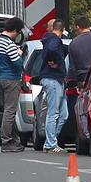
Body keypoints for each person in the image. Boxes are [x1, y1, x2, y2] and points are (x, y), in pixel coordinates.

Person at [0, 18, 25, 153]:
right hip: (11, 79)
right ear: (15, 30)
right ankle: (7, 141)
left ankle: (14, 140)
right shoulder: (9, 44)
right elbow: (17, 63)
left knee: (6, 110)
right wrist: (19, 54)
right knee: (10, 111)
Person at [40, 19, 68, 154]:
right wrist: (55, 61)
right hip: (53, 79)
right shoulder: (54, 40)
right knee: (53, 113)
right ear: (62, 30)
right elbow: (52, 50)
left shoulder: (50, 40)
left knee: (64, 114)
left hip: (55, 80)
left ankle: (50, 141)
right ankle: (51, 144)